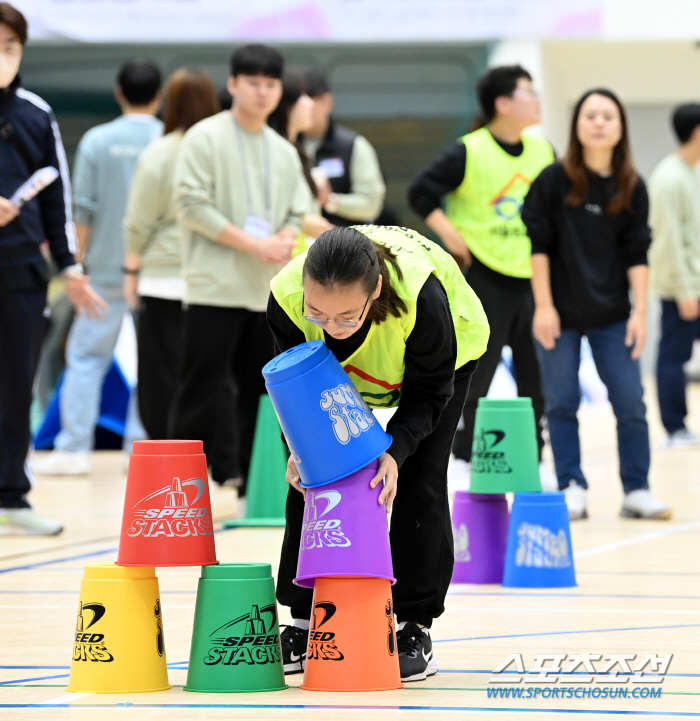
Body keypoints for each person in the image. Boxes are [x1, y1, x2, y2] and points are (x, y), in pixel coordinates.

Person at [267, 225, 489, 682]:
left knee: (418, 477)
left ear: (376, 292)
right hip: (340, 373)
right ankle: (305, 620)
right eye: (318, 313)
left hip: (440, 365)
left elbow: (428, 395)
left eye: (347, 316)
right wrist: (298, 447)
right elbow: (293, 391)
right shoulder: (286, 297)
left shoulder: (420, 299)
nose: (331, 326)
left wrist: (396, 451)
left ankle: (412, 626)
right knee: (313, 476)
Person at [522, 88, 671, 521]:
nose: (599, 122)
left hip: (613, 315)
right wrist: (544, 307)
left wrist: (641, 312)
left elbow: (637, 253)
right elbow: (539, 247)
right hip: (560, 314)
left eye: (608, 115)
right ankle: (572, 484)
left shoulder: (631, 186)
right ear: (577, 126)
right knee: (561, 401)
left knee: (630, 401)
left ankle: (637, 488)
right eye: (591, 115)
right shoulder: (553, 181)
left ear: (620, 126)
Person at [170, 44, 308, 493]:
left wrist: (283, 238)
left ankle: (256, 483)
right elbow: (191, 205)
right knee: (200, 390)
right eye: (253, 83)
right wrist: (255, 243)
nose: (263, 92)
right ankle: (178, 485)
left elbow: (297, 210)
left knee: (264, 393)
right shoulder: (204, 137)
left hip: (265, 290)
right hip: (214, 288)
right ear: (232, 85)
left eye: (271, 84)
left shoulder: (283, 150)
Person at [407, 65, 554, 487]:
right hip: (483, 277)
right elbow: (421, 192)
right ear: (503, 103)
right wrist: (452, 236)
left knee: (536, 374)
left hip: (532, 277)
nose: (537, 99)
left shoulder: (542, 151)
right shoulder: (469, 150)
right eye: (529, 92)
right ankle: (466, 455)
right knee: (476, 369)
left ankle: (535, 456)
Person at [0, 2, 104, 533]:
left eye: (11, 47)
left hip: (20, 272)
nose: (2, 57)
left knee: (16, 385)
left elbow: (57, 197)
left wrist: (68, 265)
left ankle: (11, 498)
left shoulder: (36, 115)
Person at [35, 60, 162, 476]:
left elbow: (83, 209)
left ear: (118, 92)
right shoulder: (169, 139)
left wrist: (75, 265)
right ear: (158, 96)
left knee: (87, 356)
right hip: (155, 272)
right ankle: (141, 447)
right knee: (153, 360)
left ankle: (73, 448)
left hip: (105, 271)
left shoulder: (96, 140)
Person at [122, 68, 220, 441]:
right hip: (214, 278)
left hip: (163, 278)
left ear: (168, 103)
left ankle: (168, 453)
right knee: (211, 372)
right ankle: (217, 458)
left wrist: (131, 269)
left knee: (160, 372)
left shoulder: (159, 154)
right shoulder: (219, 152)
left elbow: (138, 221)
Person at [648, 104, 700, 448]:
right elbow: (666, 241)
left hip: (694, 283)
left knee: (675, 355)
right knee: (673, 357)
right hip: (682, 288)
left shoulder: (687, 173)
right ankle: (674, 428)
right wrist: (683, 291)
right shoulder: (669, 178)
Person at [302, 69, 385, 226]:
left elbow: (372, 205)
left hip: (342, 245)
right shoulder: (285, 144)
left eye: (309, 101)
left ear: (326, 102)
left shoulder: (353, 145)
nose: (302, 108)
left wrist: (332, 201)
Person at [267, 69, 333, 248]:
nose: (309, 103)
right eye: (301, 96)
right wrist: (302, 222)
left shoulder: (295, 151)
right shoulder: (271, 154)